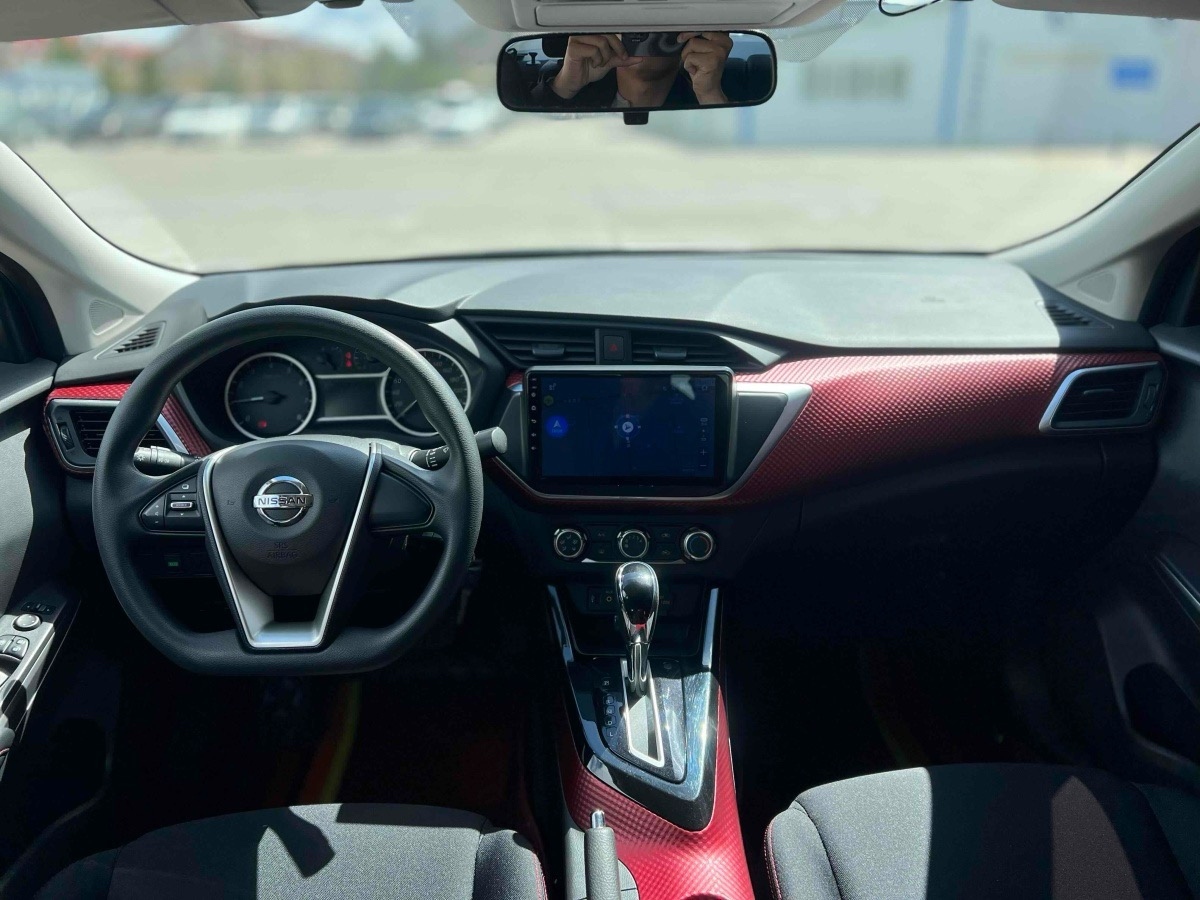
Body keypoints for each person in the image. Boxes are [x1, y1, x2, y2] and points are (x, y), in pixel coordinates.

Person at [529, 33, 734, 109]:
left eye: (662, 24)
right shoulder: (571, 79)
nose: (645, 36)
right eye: (634, 27)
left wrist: (710, 96)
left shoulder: (713, 89)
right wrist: (563, 88)